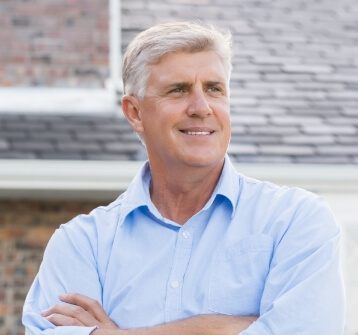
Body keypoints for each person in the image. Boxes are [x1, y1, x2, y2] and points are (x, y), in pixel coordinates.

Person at [22, 21, 345, 335]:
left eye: (214, 89)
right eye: (178, 90)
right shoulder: (82, 244)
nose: (201, 107)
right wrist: (228, 327)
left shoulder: (294, 220)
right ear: (135, 113)